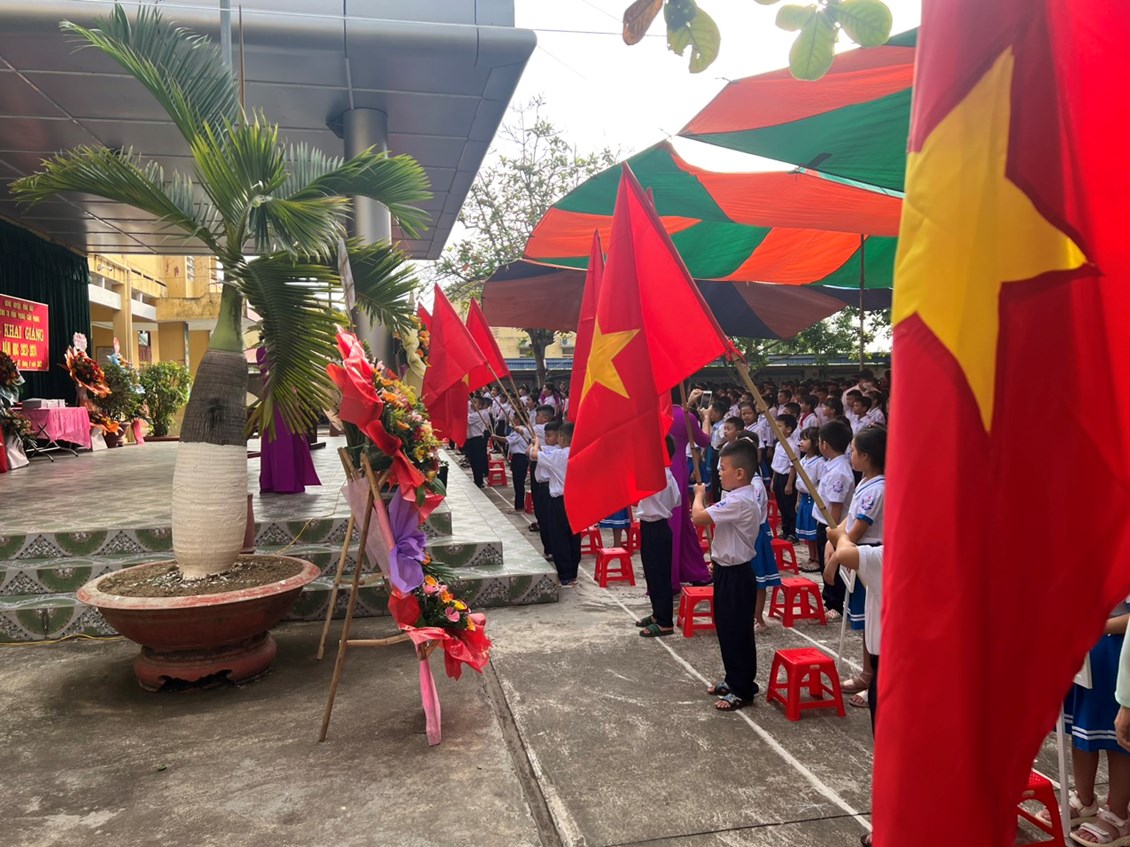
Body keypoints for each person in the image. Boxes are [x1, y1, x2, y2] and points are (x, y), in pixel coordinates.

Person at [692, 439, 764, 712]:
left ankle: (743, 688)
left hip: (737, 574)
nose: (719, 473)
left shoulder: (740, 500)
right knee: (726, 628)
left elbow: (698, 517)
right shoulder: (734, 497)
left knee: (737, 631)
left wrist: (698, 494)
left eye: (723, 468)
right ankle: (733, 678)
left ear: (740, 473)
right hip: (726, 570)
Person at [1055, 597, 1130, 844]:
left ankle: (1117, 814)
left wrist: (1094, 627)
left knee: (1119, 737)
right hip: (1088, 648)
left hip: (1119, 652)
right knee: (1082, 729)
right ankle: (1084, 798)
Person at [824, 426, 886, 706]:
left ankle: (874, 679)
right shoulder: (866, 482)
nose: (850, 454)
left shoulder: (879, 488)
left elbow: (859, 529)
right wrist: (834, 538)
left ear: (866, 456)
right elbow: (849, 520)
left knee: (874, 620)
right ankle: (867, 674)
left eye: (853, 451)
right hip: (853, 549)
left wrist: (837, 556)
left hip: (868, 554)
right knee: (866, 619)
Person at [256, 347, 320, 495]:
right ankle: (286, 482)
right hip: (283, 399)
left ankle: (271, 481)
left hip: (273, 400)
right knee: (285, 438)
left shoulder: (264, 351)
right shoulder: (283, 349)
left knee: (277, 439)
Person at [635, 436, 682, 637]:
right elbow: (677, 500)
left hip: (657, 527)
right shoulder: (666, 475)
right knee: (652, 573)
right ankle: (657, 613)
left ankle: (665, 622)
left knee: (660, 576)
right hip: (652, 526)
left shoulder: (659, 475)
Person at [668, 392, 712, 589]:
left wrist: (689, 404)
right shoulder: (686, 416)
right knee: (676, 523)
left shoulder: (658, 414)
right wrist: (706, 418)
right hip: (677, 470)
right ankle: (673, 576)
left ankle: (691, 570)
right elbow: (704, 440)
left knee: (678, 523)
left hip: (659, 469)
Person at [813, 420, 855, 620]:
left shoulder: (840, 471)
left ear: (824, 444)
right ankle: (828, 598)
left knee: (832, 563)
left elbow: (836, 506)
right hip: (824, 522)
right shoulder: (831, 465)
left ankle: (835, 603)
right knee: (825, 562)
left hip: (832, 525)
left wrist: (833, 533)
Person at [531, 421, 580, 586]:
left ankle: (565, 575)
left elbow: (534, 455)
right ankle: (572, 573)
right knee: (574, 537)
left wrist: (536, 443)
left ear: (562, 437)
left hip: (560, 501)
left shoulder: (560, 455)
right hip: (575, 500)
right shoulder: (579, 452)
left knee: (560, 537)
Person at [793, 426, 824, 567]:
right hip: (804, 499)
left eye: (805, 439)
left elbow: (820, 483)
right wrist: (798, 500)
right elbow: (799, 482)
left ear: (816, 443)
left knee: (814, 532)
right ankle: (811, 557)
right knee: (807, 533)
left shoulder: (819, 462)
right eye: (801, 439)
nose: (801, 442)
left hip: (814, 499)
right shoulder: (802, 460)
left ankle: (817, 559)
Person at [527, 404, 556, 554]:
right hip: (544, 487)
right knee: (545, 519)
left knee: (549, 520)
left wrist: (536, 443)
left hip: (550, 488)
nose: (546, 438)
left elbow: (531, 454)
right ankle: (550, 549)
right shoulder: (550, 450)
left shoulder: (554, 451)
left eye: (549, 436)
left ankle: (552, 549)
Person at [770, 414, 799, 542]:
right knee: (782, 505)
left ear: (788, 429)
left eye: (779, 426)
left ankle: (793, 532)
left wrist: (789, 484)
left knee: (789, 506)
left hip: (787, 478)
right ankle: (785, 530)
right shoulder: (778, 445)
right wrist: (773, 480)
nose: (776, 429)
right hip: (778, 477)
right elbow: (776, 465)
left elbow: (793, 466)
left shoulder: (792, 446)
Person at [498, 412, 531, 513]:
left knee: (518, 483)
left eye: (515, 418)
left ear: (519, 419)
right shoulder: (521, 430)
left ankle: (519, 507)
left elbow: (508, 440)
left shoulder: (521, 430)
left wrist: (495, 437)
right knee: (518, 482)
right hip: (518, 457)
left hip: (520, 457)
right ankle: (518, 505)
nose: (513, 420)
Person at [465, 395, 491, 488]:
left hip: (476, 439)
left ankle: (479, 481)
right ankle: (477, 479)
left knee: (476, 461)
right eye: (472, 401)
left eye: (475, 402)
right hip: (473, 439)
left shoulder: (478, 415)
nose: (472, 404)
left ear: (480, 405)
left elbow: (466, 419)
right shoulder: (476, 413)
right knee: (473, 461)